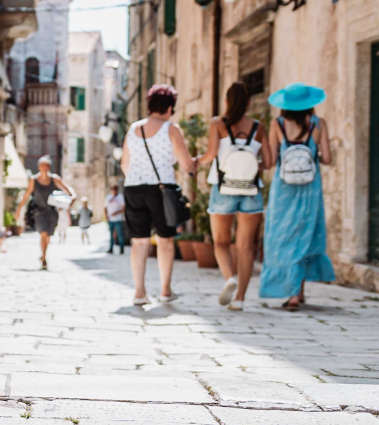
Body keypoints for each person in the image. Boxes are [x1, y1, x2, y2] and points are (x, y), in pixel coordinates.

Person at [197, 82, 274, 310]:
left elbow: (211, 154)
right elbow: (269, 162)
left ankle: (229, 277)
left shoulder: (218, 124)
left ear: (227, 101)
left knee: (220, 242)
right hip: (251, 190)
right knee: (246, 246)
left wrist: (195, 161)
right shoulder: (258, 128)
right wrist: (250, 166)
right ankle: (240, 298)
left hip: (223, 188)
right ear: (249, 102)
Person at [259, 83, 335, 310]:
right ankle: (298, 292)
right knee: (305, 235)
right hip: (310, 190)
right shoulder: (319, 124)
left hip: (284, 191)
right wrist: (312, 155)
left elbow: (272, 161)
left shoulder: (277, 125)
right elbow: (328, 158)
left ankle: (290, 293)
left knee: (284, 236)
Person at [120, 84, 196, 305]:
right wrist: (194, 165)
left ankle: (139, 292)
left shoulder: (134, 128)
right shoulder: (171, 129)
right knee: (165, 240)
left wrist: (138, 177)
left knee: (139, 242)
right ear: (170, 107)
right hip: (161, 189)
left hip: (133, 187)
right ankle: (165, 290)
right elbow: (185, 163)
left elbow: (125, 163)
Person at [15, 155, 75, 269]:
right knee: (43, 234)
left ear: (49, 167)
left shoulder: (54, 179)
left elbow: (66, 188)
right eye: (42, 165)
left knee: (48, 236)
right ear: (39, 167)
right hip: (39, 211)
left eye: (46, 165)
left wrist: (72, 196)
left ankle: (44, 253)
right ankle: (43, 258)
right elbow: (27, 195)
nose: (44, 167)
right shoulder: (34, 180)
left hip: (52, 211)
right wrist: (19, 209)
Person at [104, 185, 126, 254]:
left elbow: (123, 207)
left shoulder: (120, 197)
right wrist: (106, 215)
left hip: (118, 219)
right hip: (110, 219)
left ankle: (121, 249)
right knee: (111, 235)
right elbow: (105, 207)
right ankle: (111, 249)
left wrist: (116, 212)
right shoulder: (108, 197)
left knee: (120, 235)